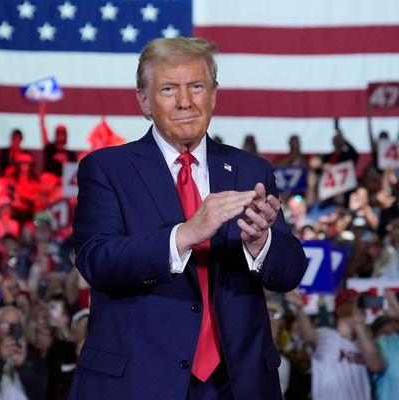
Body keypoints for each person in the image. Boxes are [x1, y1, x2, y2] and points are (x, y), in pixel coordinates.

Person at [70, 36, 307, 400]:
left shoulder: (250, 169)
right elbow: (97, 261)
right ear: (144, 102)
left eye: (196, 86)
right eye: (168, 89)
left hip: (238, 384)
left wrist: (262, 244)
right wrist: (184, 234)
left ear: (213, 95)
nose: (185, 101)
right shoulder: (106, 169)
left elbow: (289, 271)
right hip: (139, 382)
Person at [286, 289, 385, 400]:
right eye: (355, 304)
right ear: (342, 308)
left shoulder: (364, 343)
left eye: (361, 305)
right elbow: (309, 337)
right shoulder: (328, 335)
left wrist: (359, 326)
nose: (361, 309)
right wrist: (299, 309)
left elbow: (377, 366)